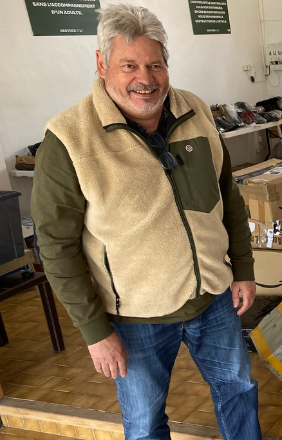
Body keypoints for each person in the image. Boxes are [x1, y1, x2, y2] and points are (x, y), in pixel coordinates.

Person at [31, 4, 261, 439]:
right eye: (129, 65)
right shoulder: (68, 139)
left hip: (214, 298)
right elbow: (56, 246)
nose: (146, 78)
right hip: (134, 318)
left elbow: (226, 195)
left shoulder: (195, 110)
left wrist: (243, 269)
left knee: (238, 390)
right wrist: (95, 331)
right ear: (102, 65)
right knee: (144, 422)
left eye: (155, 64)